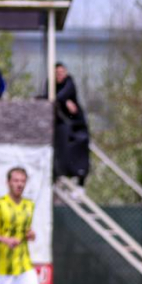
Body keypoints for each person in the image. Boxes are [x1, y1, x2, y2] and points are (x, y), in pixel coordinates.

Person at [51, 63, 90, 200]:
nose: (60, 75)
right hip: (65, 130)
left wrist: (63, 101)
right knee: (62, 152)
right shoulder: (53, 86)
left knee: (79, 155)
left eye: (62, 72)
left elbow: (60, 96)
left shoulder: (69, 84)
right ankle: (60, 179)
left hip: (77, 128)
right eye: (57, 73)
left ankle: (80, 185)